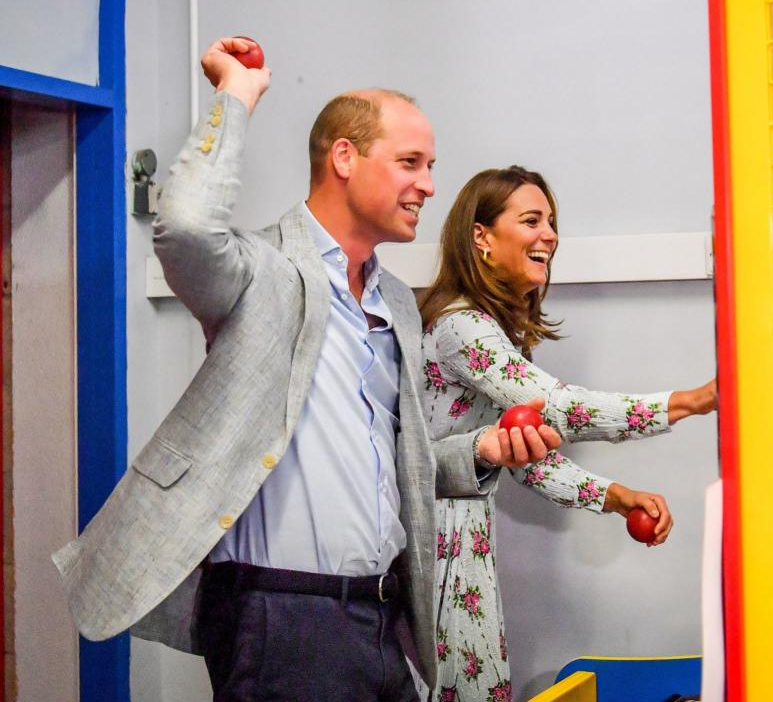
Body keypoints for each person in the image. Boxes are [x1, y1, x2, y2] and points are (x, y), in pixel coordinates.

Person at [53, 38, 563, 701]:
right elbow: (182, 227)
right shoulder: (262, 272)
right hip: (282, 617)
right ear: (344, 158)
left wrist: (479, 451)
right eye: (409, 162)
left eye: (430, 165)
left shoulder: (398, 304)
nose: (430, 185)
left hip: (383, 616)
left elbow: (387, 458)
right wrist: (236, 93)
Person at [417, 165, 718, 702]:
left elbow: (523, 455)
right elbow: (560, 408)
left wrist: (615, 497)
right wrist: (686, 402)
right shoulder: (462, 326)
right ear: (481, 237)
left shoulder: (491, 331)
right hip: (432, 549)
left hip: (463, 546)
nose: (550, 235)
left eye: (551, 222)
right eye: (531, 220)